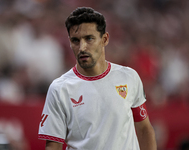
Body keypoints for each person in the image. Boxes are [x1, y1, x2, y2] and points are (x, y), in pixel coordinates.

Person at [38, 7, 157, 150]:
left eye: (89, 39)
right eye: (76, 40)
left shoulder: (129, 77)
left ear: (105, 39)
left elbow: (144, 129)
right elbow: (53, 146)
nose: (82, 47)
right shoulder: (59, 89)